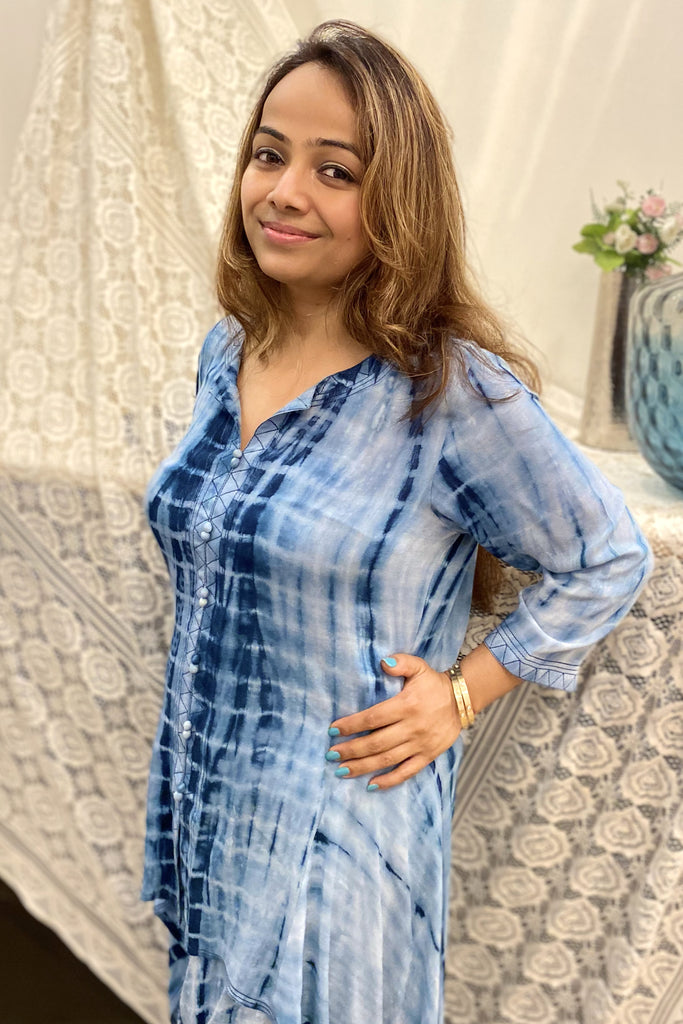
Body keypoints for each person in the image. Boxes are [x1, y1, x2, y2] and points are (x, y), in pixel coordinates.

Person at [142, 20, 652, 1024]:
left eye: (334, 170)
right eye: (268, 155)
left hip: (334, 853)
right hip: (208, 812)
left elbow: (606, 555)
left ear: (397, 200)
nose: (284, 191)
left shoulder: (446, 390)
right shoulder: (226, 352)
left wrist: (462, 692)